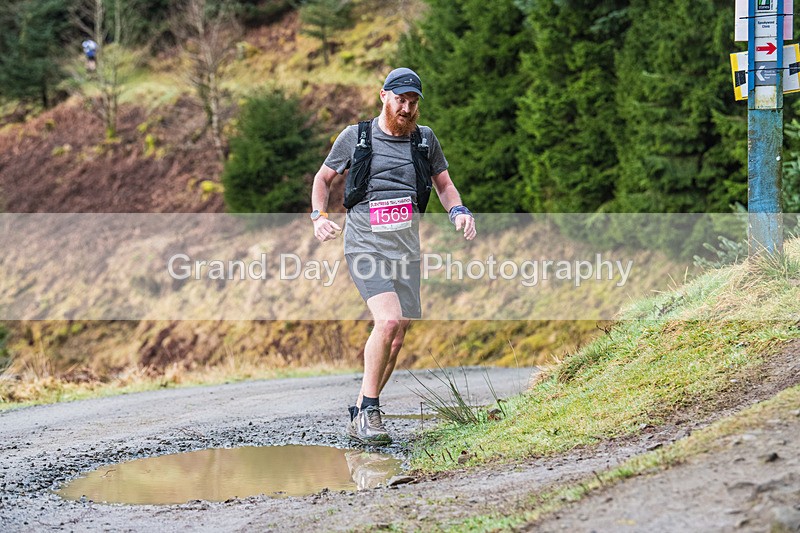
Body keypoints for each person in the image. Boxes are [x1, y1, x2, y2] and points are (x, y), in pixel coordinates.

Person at [310, 67, 476, 445]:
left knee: (398, 336)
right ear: (383, 96)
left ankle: (360, 409)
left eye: (413, 102)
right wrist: (318, 217)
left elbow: (445, 185)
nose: (406, 108)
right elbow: (323, 179)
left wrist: (459, 210)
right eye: (400, 100)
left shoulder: (425, 140)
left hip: (405, 247)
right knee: (387, 322)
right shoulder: (357, 136)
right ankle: (370, 412)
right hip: (364, 243)